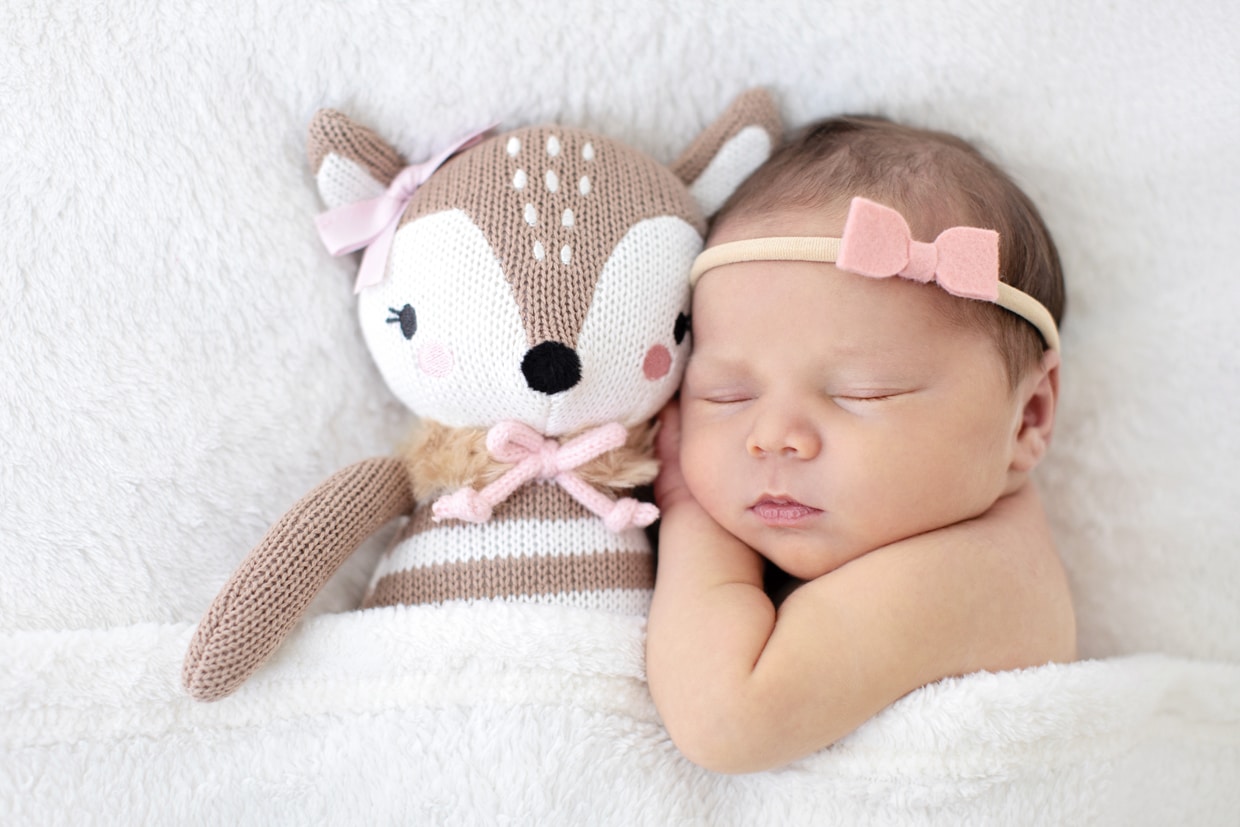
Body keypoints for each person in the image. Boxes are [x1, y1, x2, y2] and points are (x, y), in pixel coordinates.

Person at [645, 115, 1077, 774]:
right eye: (725, 396)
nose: (772, 438)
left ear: (1028, 418)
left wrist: (689, 515)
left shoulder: (983, 575)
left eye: (863, 393)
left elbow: (726, 716)